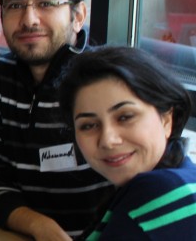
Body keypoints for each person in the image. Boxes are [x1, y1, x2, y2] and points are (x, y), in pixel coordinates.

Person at [0, 0, 114, 240]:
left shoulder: (106, 81)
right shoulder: (1, 78)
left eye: (46, 3)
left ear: (78, 15)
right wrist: (39, 226)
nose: (29, 19)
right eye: (15, 5)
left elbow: (140, 183)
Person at [58, 46, 196, 240]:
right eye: (89, 125)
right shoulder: (183, 177)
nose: (108, 140)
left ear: (166, 119)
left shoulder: (159, 192)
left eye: (125, 117)